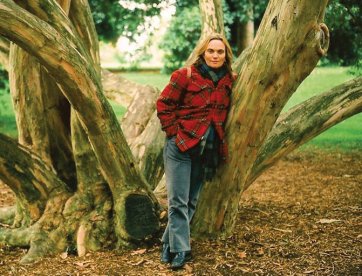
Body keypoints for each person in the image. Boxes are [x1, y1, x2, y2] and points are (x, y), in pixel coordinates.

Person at [156, 33, 234, 269]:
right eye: (211, 51)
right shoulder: (185, 76)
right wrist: (173, 133)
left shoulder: (228, 80)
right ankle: (181, 249)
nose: (215, 55)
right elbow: (163, 104)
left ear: (226, 55)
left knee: (191, 201)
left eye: (220, 52)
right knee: (178, 201)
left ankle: (168, 243)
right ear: (203, 52)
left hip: (206, 151)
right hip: (180, 147)